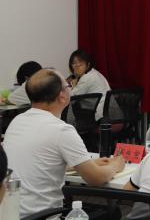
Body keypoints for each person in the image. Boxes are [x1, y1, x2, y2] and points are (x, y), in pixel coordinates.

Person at [3, 69, 125, 217]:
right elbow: (96, 178)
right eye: (68, 85)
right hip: (42, 216)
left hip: (9, 214)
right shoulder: (61, 130)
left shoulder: (17, 122)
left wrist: (86, 163)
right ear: (62, 96)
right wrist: (116, 165)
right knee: (113, 213)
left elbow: (41, 162)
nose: (70, 87)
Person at [68, 49, 112, 121]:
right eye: (74, 63)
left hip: (104, 117)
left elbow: (71, 97)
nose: (77, 67)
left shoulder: (87, 78)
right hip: (109, 112)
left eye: (80, 64)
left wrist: (71, 84)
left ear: (88, 65)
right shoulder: (93, 72)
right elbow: (70, 80)